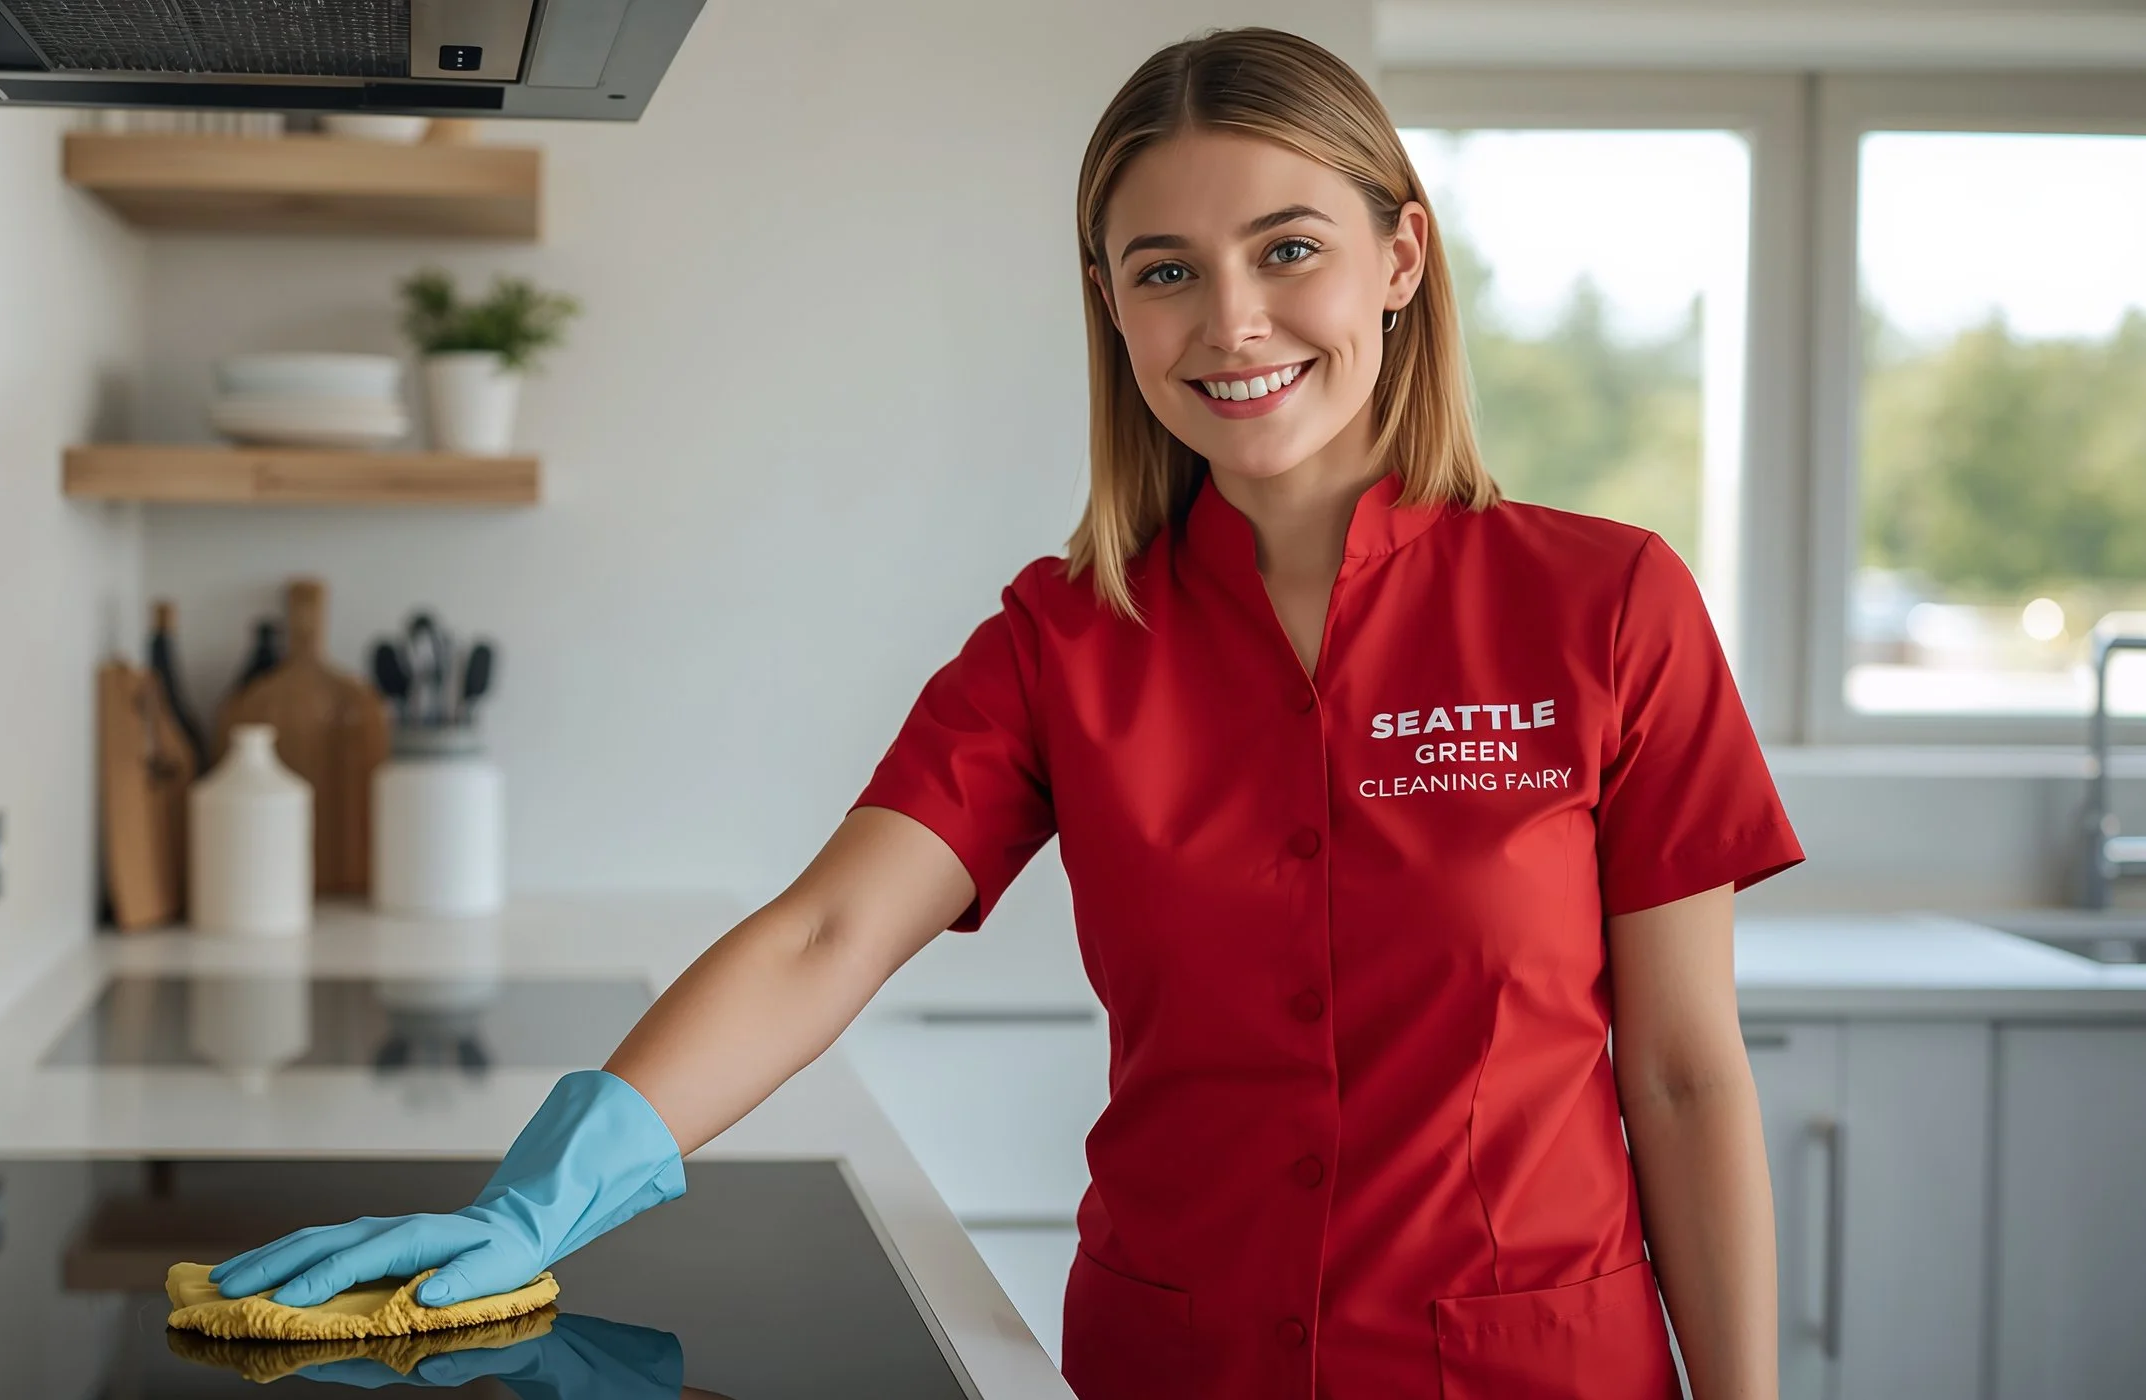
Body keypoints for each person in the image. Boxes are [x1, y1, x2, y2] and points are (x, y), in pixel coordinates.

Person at [209, 27, 1801, 1400]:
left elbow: (1681, 1075)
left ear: (1400, 258)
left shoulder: (1608, 606)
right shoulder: (1065, 639)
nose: (1232, 322)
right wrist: (533, 1207)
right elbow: (826, 934)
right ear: (1109, 304)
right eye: (1166, 271)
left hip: (1531, 1369)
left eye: (1288, 249)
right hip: (1175, 1365)